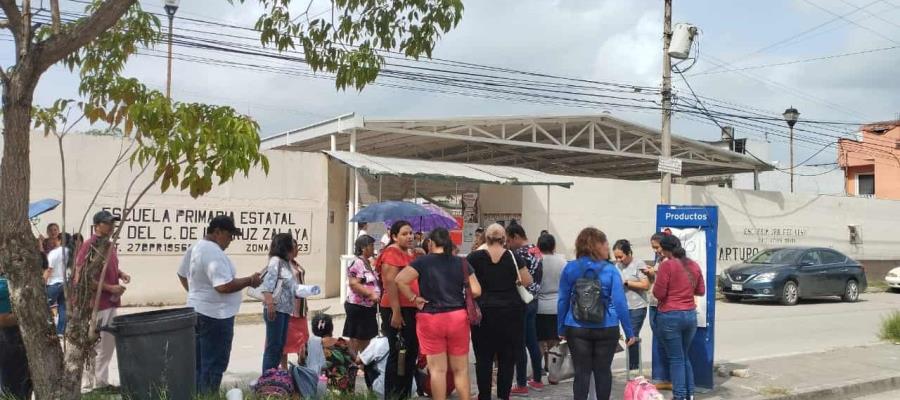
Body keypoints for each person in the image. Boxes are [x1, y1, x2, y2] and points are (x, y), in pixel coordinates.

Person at [177, 215, 262, 394]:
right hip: (215, 316)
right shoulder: (212, 252)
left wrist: (196, 294)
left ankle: (198, 395)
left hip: (198, 310)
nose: (231, 241)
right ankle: (207, 395)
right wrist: (250, 280)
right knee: (213, 364)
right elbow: (223, 286)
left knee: (199, 363)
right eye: (229, 236)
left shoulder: (196, 247)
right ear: (217, 232)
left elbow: (181, 274)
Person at [396, 228, 481, 400]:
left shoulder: (422, 262)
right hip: (457, 317)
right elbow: (477, 290)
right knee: (461, 369)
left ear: (431, 243)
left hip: (430, 319)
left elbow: (400, 280)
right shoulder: (461, 263)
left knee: (437, 371)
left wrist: (414, 298)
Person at [557, 227, 636, 400]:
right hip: (607, 327)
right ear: (598, 245)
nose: (607, 247)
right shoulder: (610, 270)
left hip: (576, 327)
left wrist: (560, 326)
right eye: (605, 244)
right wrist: (629, 331)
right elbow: (620, 302)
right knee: (603, 372)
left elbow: (562, 300)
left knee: (581, 373)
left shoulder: (570, 268)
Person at [467, 224, 532, 400]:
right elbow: (527, 280)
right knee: (507, 357)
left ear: (485, 239)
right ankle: (504, 395)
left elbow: (466, 283)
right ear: (504, 239)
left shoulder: (473, 257)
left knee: (483, 358)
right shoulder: (513, 256)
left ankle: (485, 395)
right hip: (511, 312)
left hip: (484, 312)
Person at [76, 210, 131, 393]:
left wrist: (120, 274)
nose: (112, 226)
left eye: (112, 222)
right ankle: (93, 383)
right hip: (96, 303)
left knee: (107, 344)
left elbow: (108, 267)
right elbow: (82, 277)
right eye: (108, 223)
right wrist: (109, 288)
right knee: (96, 344)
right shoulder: (90, 246)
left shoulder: (109, 245)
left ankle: (100, 381)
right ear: (97, 225)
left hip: (110, 302)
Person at [653, 235, 706, 400]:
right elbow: (701, 291)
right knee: (684, 356)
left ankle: (680, 396)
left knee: (676, 359)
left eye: (660, 248)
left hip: (670, 315)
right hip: (690, 315)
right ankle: (689, 394)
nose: (659, 251)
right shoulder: (694, 265)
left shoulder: (666, 265)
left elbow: (659, 293)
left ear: (667, 249)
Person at [374, 220, 419, 399]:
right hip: (397, 309)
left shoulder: (407, 253)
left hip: (410, 307)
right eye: (404, 234)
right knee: (397, 353)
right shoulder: (391, 253)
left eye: (411, 233)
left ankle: (404, 392)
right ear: (394, 236)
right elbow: (390, 283)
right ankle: (393, 394)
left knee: (410, 353)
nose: (410, 236)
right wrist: (396, 312)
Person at [506, 222, 544, 394]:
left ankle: (521, 383)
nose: (507, 243)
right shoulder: (536, 250)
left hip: (520, 301)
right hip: (534, 300)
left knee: (519, 344)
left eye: (508, 240)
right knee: (532, 341)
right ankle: (537, 379)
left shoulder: (517, 253)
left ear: (515, 237)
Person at [261, 233, 301, 373]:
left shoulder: (286, 263)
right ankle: (267, 379)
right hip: (275, 309)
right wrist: (270, 304)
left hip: (285, 310)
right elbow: (267, 286)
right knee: (273, 346)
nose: (294, 247)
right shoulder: (275, 261)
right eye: (291, 243)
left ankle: (274, 377)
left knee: (280, 346)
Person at [614, 239, 650, 372]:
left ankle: (634, 368)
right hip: (622, 307)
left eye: (620, 257)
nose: (618, 260)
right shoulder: (617, 267)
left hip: (637, 307)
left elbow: (646, 285)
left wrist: (627, 283)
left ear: (628, 253)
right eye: (616, 257)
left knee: (632, 336)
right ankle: (632, 366)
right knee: (626, 336)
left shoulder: (638, 264)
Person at [535, 233, 566, 383]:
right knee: (555, 341)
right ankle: (553, 372)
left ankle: (538, 372)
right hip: (557, 306)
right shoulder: (562, 261)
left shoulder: (537, 260)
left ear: (538, 246)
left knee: (540, 341)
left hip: (539, 306)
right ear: (554, 246)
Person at [344, 234, 380, 356]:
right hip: (358, 306)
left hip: (368, 307)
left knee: (366, 336)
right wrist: (371, 294)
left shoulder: (368, 263)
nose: (373, 248)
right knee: (356, 337)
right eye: (371, 245)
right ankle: (353, 362)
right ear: (363, 247)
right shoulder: (357, 263)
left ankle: (363, 361)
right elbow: (354, 284)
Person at [306, 312, 358, 394]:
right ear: (331, 328)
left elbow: (301, 363)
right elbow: (356, 360)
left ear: (314, 329)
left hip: (316, 389)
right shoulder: (344, 343)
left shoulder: (307, 346)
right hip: (343, 390)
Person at [0, 275, 32, 399]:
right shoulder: (4, 286)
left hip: (14, 340)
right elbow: (2, 320)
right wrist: (29, 315)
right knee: (14, 386)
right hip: (9, 339)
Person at [646, 232, 671, 389]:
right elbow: (653, 282)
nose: (655, 250)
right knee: (660, 342)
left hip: (663, 305)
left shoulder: (670, 261)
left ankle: (670, 379)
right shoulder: (659, 260)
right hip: (654, 303)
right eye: (653, 248)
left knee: (667, 342)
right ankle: (664, 377)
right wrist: (650, 273)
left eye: (657, 247)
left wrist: (654, 273)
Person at [282, 247, 310, 368]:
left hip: (300, 307)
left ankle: (302, 364)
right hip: (290, 309)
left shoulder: (294, 263)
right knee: (286, 341)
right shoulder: (282, 264)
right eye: (293, 247)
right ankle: (283, 369)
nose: (297, 250)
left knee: (303, 338)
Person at [45, 233, 71, 336]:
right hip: (66, 283)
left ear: (59, 240)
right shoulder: (71, 252)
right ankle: (61, 331)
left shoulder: (54, 253)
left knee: (45, 306)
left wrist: (43, 282)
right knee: (63, 307)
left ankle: (48, 330)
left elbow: (49, 270)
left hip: (54, 284)